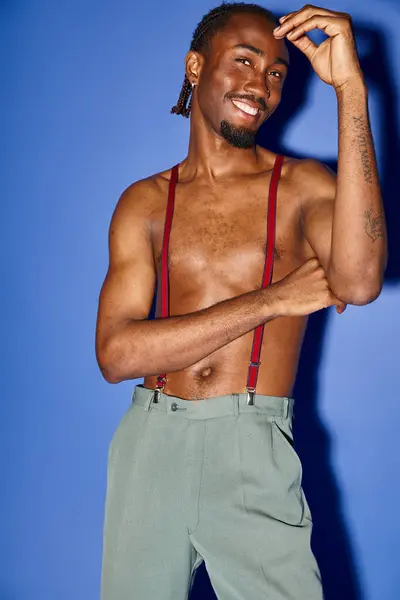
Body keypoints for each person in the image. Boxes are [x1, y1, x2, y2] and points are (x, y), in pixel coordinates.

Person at [95, 3, 387, 599]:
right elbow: (117, 353)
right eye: (245, 61)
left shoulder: (304, 186)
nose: (261, 84)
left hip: (251, 445)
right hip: (150, 442)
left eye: (277, 73)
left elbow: (358, 281)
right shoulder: (144, 202)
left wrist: (350, 91)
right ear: (196, 66)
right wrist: (272, 299)